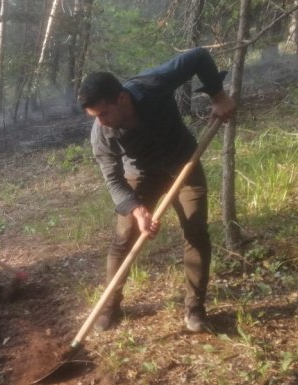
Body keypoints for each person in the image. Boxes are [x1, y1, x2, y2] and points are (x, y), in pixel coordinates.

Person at [77, 47, 236, 332]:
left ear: (122, 98)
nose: (100, 122)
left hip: (183, 163)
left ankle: (195, 309)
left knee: (196, 231)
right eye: (94, 116)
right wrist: (137, 209)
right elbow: (112, 179)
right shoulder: (101, 134)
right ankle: (110, 306)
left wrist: (219, 96)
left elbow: (198, 57)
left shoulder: (152, 85)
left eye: (103, 113)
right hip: (140, 175)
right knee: (124, 237)